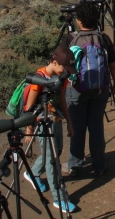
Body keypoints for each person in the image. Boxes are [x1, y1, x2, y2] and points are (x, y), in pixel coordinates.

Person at [62, 0, 115, 178]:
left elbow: (62, 66)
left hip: (77, 90)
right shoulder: (103, 38)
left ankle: (75, 164)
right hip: (100, 90)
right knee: (96, 127)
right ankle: (99, 164)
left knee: (77, 128)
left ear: (78, 20)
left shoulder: (71, 39)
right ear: (96, 19)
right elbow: (112, 66)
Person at [23, 47, 78, 214]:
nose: (66, 73)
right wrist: (29, 127)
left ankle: (32, 173)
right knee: (52, 160)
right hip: (41, 122)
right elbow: (30, 106)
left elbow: (62, 101)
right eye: (64, 68)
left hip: (56, 119)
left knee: (57, 151)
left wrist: (69, 122)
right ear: (54, 62)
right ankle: (59, 198)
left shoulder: (62, 78)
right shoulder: (38, 78)